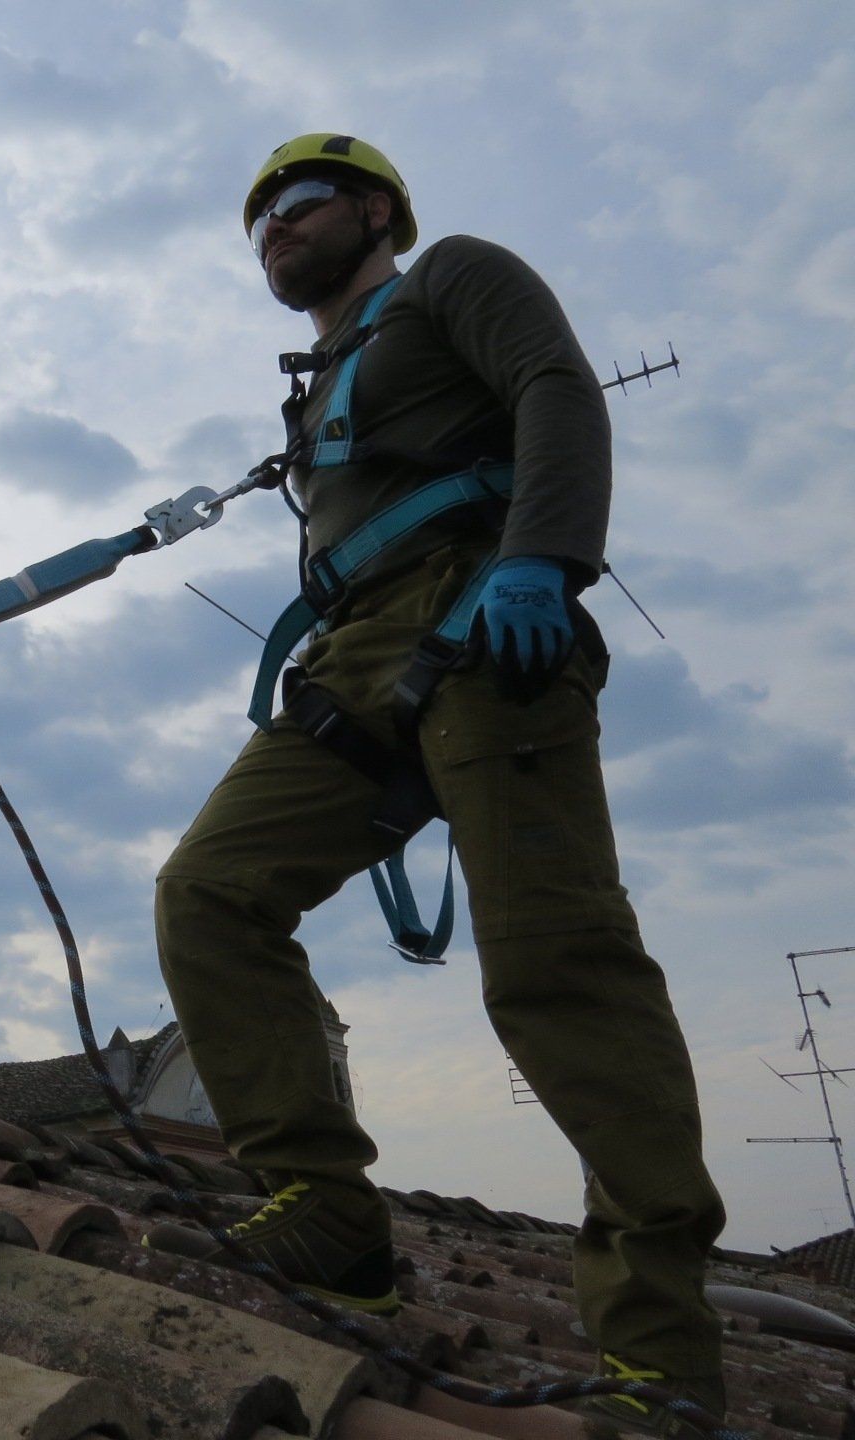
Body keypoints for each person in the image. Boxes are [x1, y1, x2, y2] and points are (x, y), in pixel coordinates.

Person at [153, 133, 727, 1435]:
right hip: (353, 660)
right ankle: (332, 1220)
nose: (273, 232)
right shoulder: (318, 383)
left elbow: (556, 389)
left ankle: (660, 1358)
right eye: (257, 227)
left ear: (374, 209)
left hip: (479, 623)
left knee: (554, 962)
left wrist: (549, 561)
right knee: (210, 893)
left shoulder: (454, 276)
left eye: (295, 206)